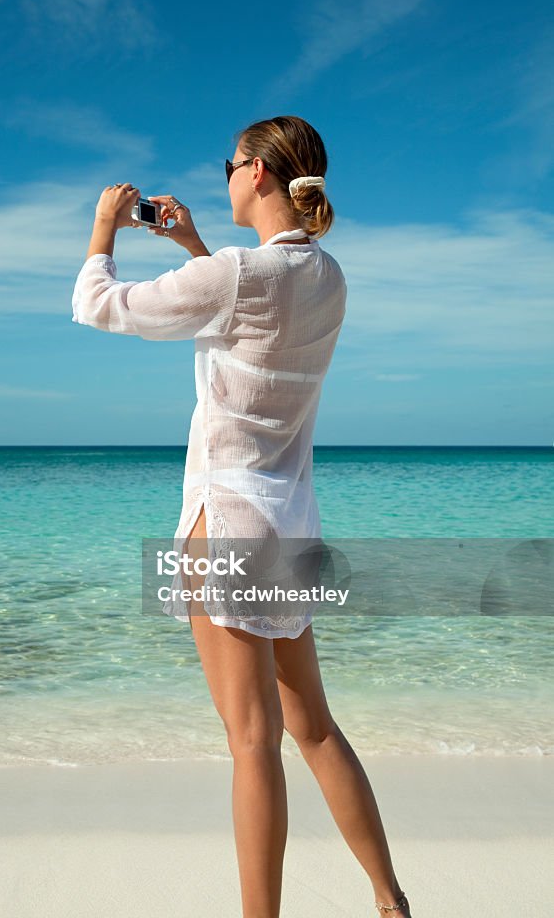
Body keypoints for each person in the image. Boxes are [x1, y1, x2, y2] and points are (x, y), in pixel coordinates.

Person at [71, 115, 412, 918]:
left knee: (251, 742)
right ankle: (391, 903)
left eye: (229, 163)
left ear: (256, 172)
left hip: (226, 522)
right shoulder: (326, 277)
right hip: (291, 528)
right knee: (315, 732)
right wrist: (192, 248)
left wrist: (102, 226)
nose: (223, 174)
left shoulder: (234, 273)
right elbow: (247, 316)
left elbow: (98, 305)